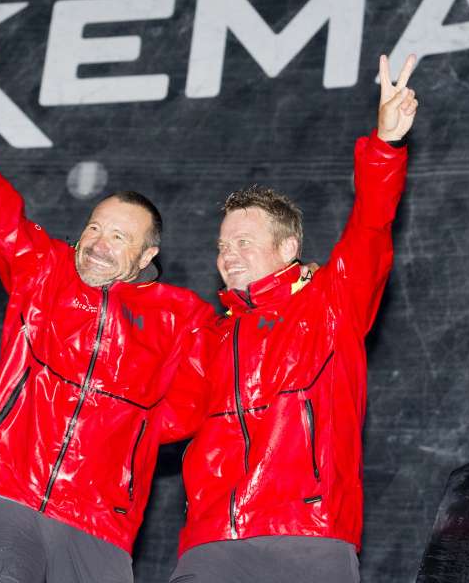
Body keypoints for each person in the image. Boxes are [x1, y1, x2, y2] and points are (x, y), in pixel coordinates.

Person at [0, 75, 216, 583]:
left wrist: (119, 434)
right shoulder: (44, 268)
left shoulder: (181, 315)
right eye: (95, 228)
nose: (100, 243)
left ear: (147, 256)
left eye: (119, 237)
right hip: (9, 482)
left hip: (100, 513)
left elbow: (186, 410)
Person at [162, 54, 419, 583]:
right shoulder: (208, 336)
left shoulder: (331, 302)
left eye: (244, 242)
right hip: (211, 539)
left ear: (289, 248)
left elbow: (371, 226)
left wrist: (385, 146)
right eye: (221, 245)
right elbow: (161, 419)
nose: (227, 254)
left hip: (307, 532)